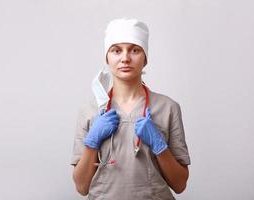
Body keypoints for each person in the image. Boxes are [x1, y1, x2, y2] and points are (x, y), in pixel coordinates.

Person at [71, 18, 190, 200]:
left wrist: (160, 146)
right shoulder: (89, 111)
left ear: (145, 57)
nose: (125, 58)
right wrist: (91, 142)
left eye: (135, 50)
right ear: (107, 57)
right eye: (116, 50)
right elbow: (81, 187)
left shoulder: (168, 108)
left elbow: (180, 184)